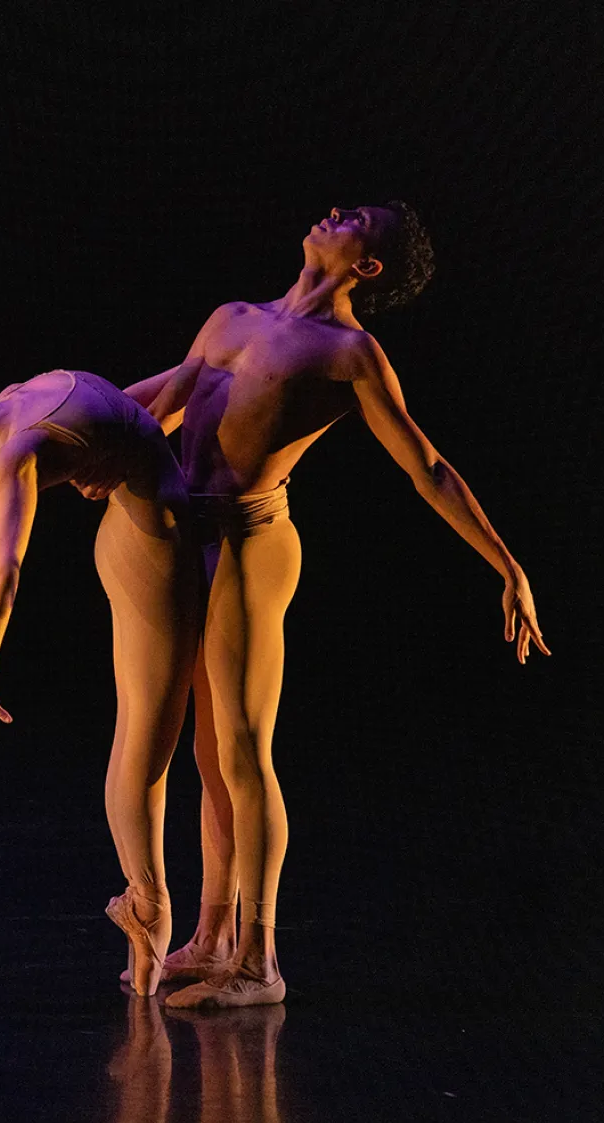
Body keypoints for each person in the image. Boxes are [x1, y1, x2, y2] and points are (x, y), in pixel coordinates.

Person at [115, 201, 550, 1008]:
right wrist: (45, 427)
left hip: (250, 545)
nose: (333, 212)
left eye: (355, 218)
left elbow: (428, 467)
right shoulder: (231, 317)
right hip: (184, 538)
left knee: (243, 751)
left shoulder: (351, 354)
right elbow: (161, 402)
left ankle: (258, 961)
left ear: (368, 267)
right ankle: (209, 935)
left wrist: (507, 565)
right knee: (207, 756)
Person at [0, 368, 199, 996]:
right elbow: (4, 569)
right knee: (144, 740)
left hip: (140, 529)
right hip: (155, 550)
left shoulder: (13, 399)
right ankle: (149, 910)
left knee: (150, 733)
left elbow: (131, 406)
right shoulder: (16, 451)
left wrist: (150, 420)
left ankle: (151, 916)